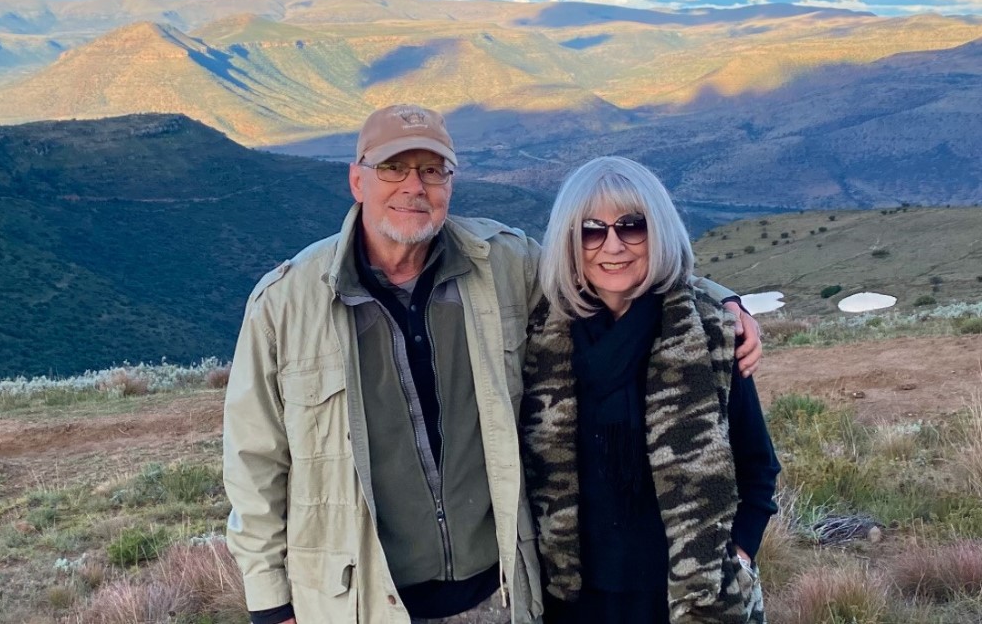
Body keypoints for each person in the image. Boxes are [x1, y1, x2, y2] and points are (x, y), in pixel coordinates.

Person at [223, 106, 764, 624]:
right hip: (360, 600)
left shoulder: (500, 264)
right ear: (357, 180)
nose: (415, 186)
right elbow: (255, 463)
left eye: (433, 170)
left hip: (500, 593)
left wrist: (722, 304)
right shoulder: (285, 304)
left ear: (450, 184)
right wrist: (271, 603)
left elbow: (613, 273)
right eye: (393, 168)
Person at [519, 156, 780, 624]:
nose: (612, 245)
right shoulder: (538, 339)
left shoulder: (709, 331)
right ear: (569, 241)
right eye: (591, 230)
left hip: (689, 597)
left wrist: (738, 557)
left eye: (631, 226)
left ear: (657, 230)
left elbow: (758, 465)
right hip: (573, 599)